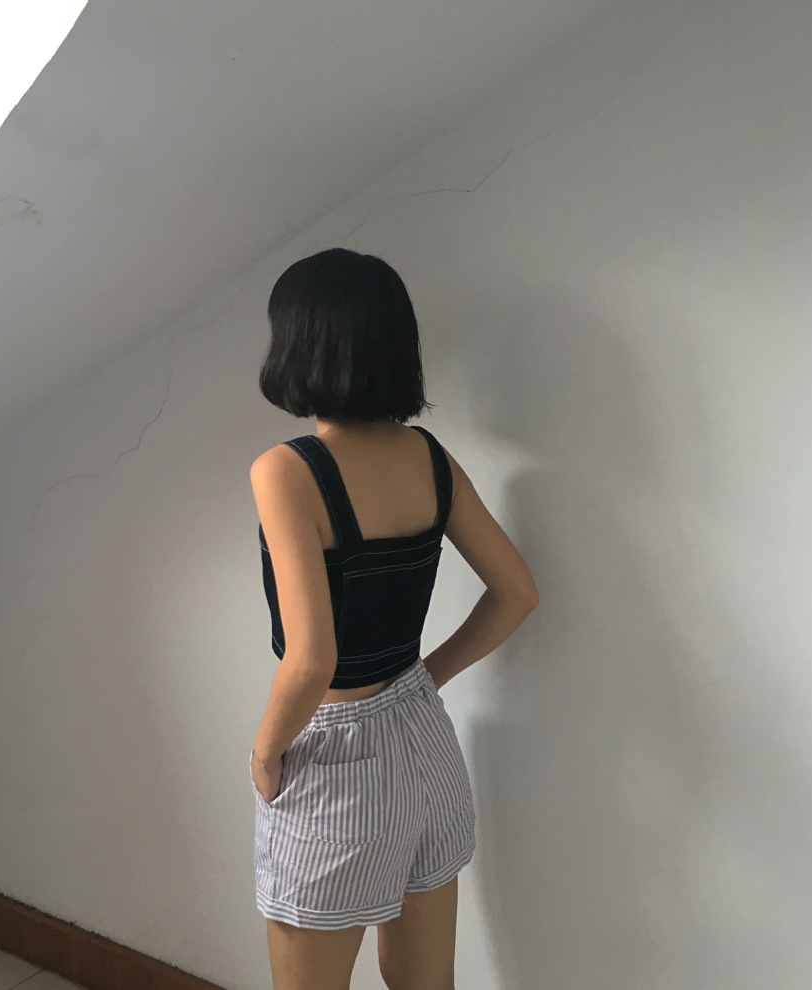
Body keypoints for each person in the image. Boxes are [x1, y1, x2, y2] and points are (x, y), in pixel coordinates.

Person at [248, 247, 538, 990]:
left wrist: (266, 751)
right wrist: (425, 679)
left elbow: (311, 660)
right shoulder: (428, 457)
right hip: (426, 746)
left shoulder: (286, 470)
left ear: (301, 343)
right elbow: (516, 592)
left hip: (336, 765)